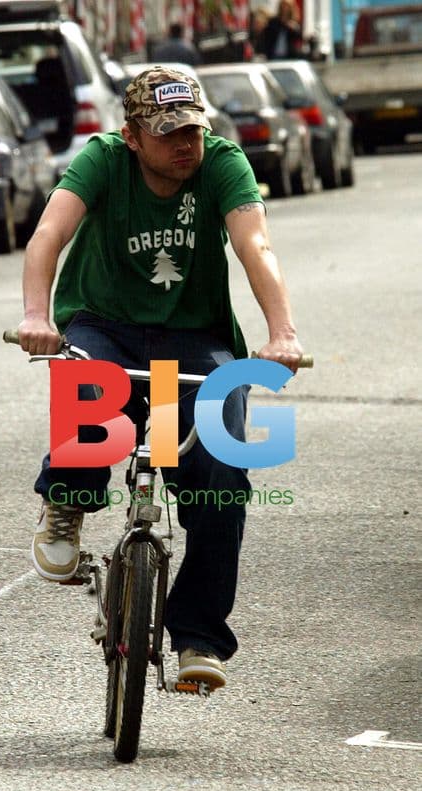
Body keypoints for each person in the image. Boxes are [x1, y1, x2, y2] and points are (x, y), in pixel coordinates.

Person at [17, 66, 302, 690]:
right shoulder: (101, 160)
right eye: (168, 132)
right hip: (104, 325)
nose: (184, 146)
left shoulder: (223, 165)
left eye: (193, 132)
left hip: (193, 342)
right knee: (91, 390)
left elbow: (257, 247)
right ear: (132, 136)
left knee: (219, 476)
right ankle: (68, 500)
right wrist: (37, 316)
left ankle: (197, 635)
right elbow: (48, 235)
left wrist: (281, 332)